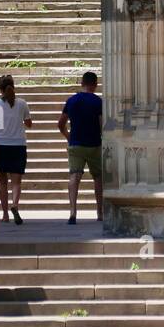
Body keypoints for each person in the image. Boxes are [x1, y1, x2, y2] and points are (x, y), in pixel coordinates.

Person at [0, 75, 32, 224]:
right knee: (16, 181)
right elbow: (29, 124)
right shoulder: (22, 103)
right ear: (13, 86)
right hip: (18, 145)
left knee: (2, 181)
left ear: (0, 89)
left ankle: (5, 215)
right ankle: (15, 205)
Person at [58, 70, 103, 225]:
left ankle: (72, 212)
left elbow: (61, 123)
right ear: (95, 85)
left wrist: (68, 136)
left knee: (74, 176)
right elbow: (101, 124)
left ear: (82, 83)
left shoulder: (71, 101)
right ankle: (100, 212)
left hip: (76, 144)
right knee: (98, 177)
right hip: (94, 144)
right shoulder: (98, 102)